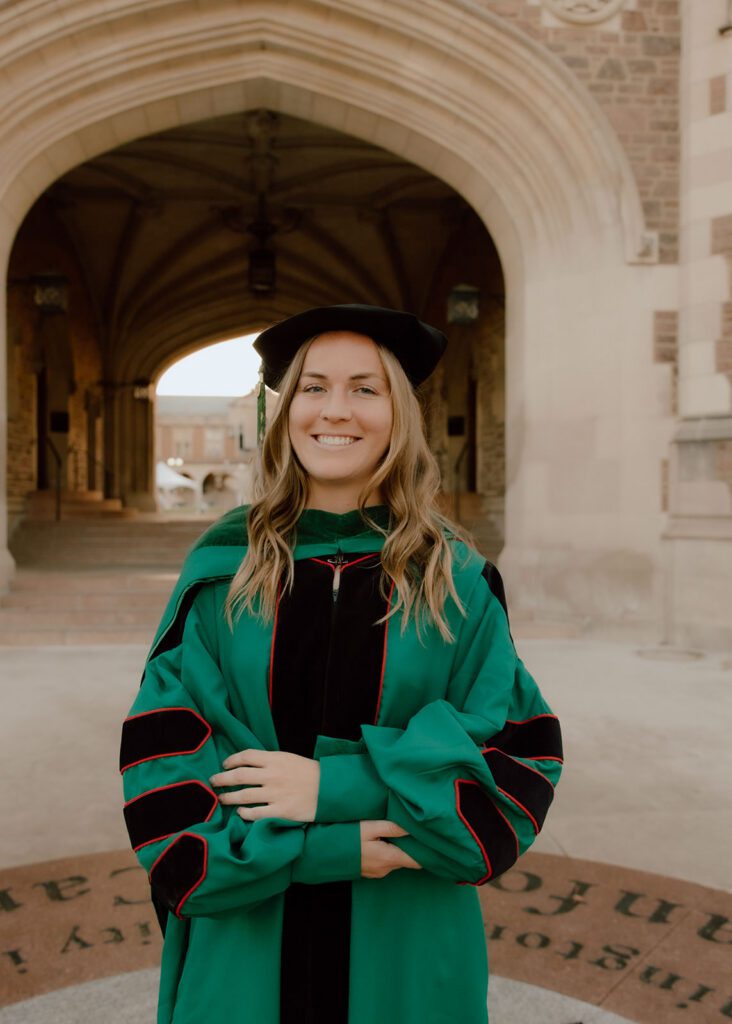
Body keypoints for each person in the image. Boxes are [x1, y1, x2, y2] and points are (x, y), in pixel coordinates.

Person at [119, 304, 563, 1024]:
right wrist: (337, 850)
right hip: (245, 959)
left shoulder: (456, 580)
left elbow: (509, 781)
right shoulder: (218, 577)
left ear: (400, 413)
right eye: (313, 387)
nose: (336, 411)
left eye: (366, 388)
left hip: (409, 957)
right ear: (285, 408)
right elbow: (172, 821)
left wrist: (332, 786)